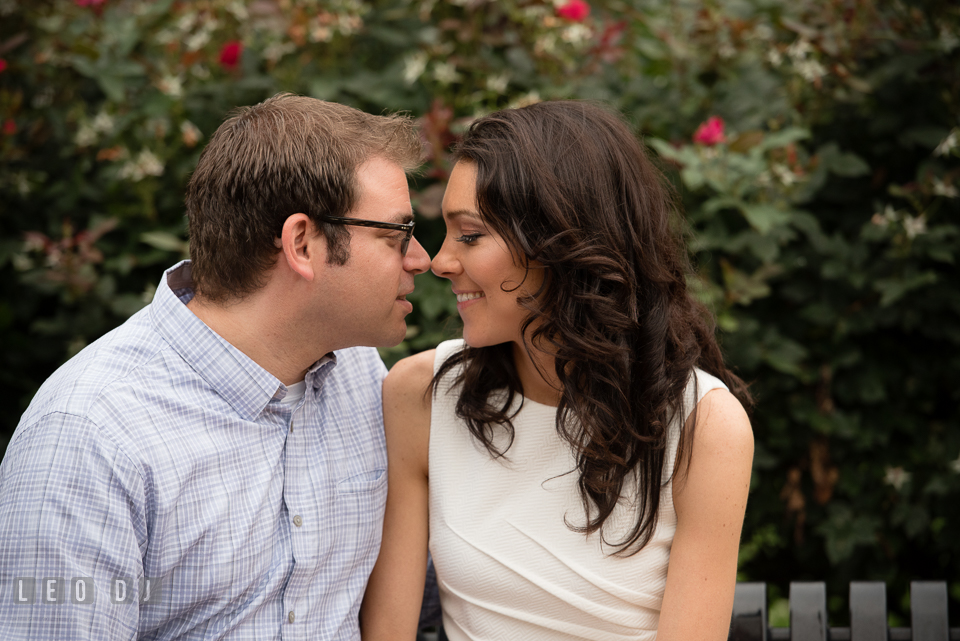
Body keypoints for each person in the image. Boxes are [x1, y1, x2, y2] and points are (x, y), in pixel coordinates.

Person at [0, 93, 432, 639]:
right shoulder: (89, 435)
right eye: (396, 236)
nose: (423, 259)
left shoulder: (358, 373)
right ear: (302, 242)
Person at [361, 100, 755, 641]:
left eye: (470, 235)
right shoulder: (421, 396)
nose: (439, 260)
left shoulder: (705, 426)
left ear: (560, 245)